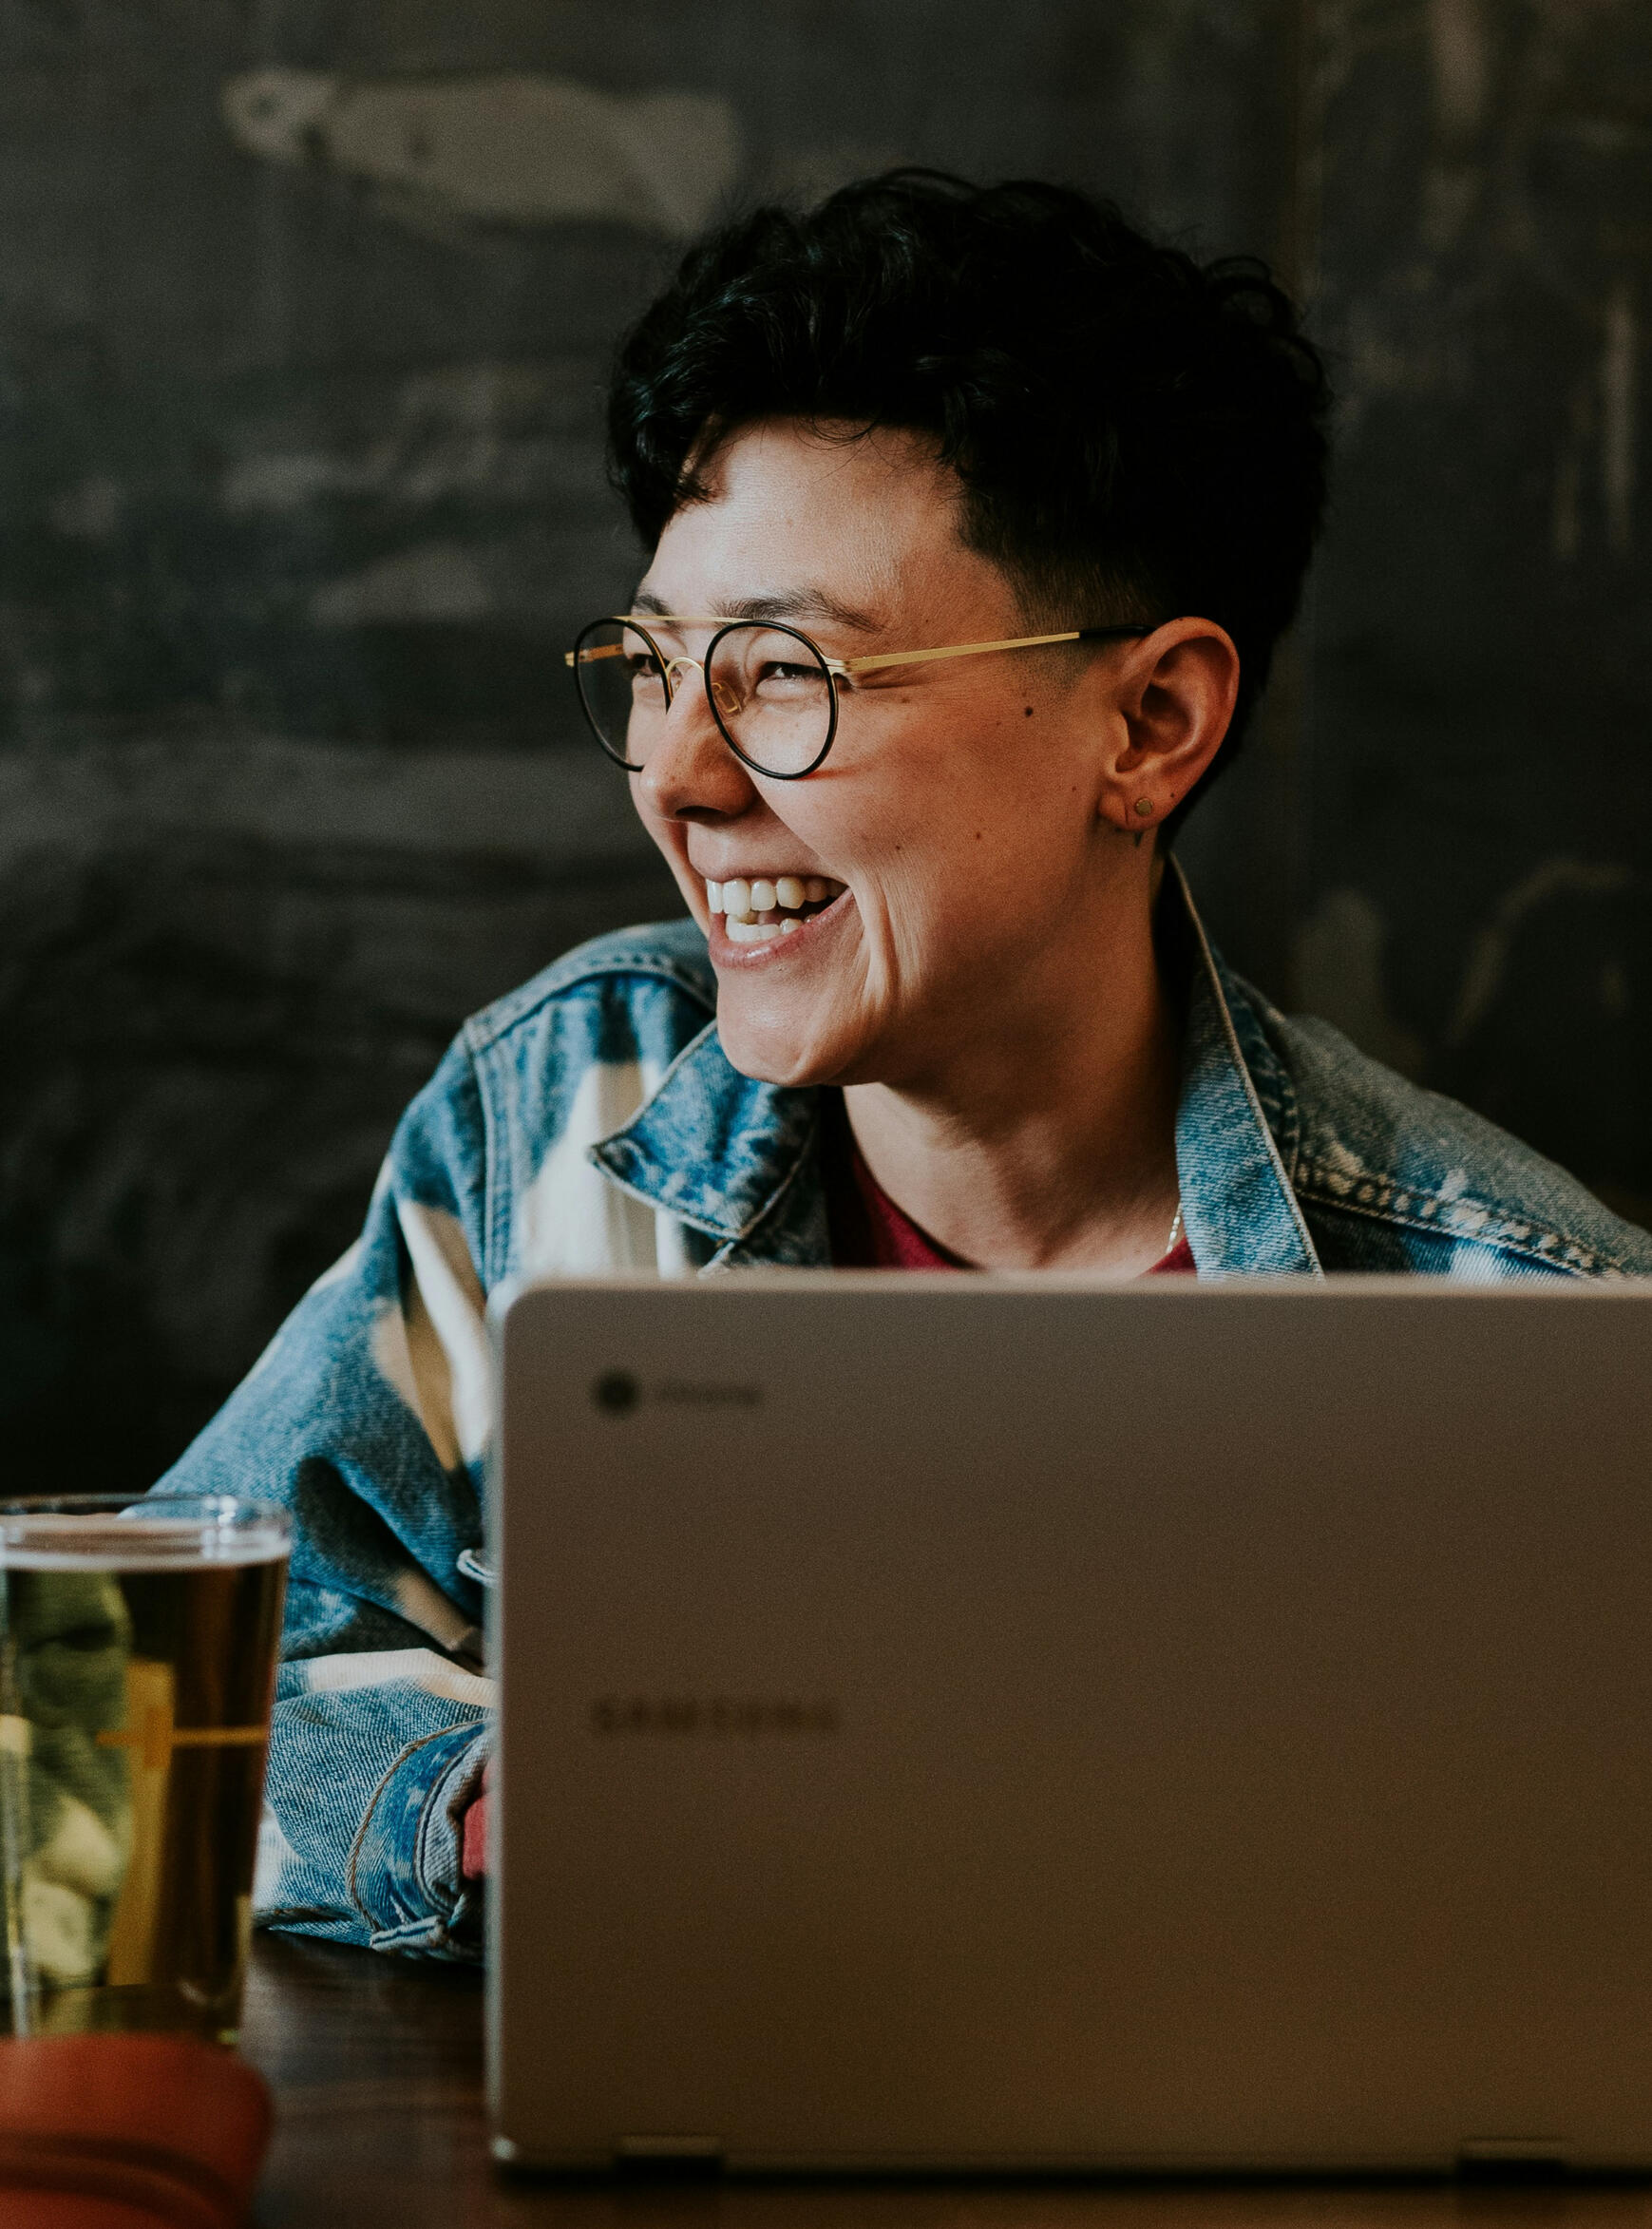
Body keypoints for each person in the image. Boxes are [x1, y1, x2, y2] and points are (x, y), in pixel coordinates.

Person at [158, 172, 1652, 1958]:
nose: (681, 777)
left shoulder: (1521, 1317)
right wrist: (481, 1811)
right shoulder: (566, 1109)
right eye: (653, 663)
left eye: (785, 671)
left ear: (1151, 724)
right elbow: (181, 1676)